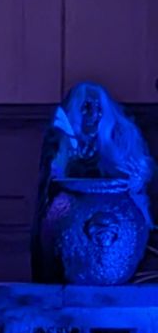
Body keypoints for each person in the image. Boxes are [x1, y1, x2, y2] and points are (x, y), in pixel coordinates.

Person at [31, 82, 154, 282]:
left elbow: (134, 179)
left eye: (99, 109)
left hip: (114, 220)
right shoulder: (61, 141)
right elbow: (52, 181)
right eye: (86, 107)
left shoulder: (118, 143)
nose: (93, 114)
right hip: (70, 216)